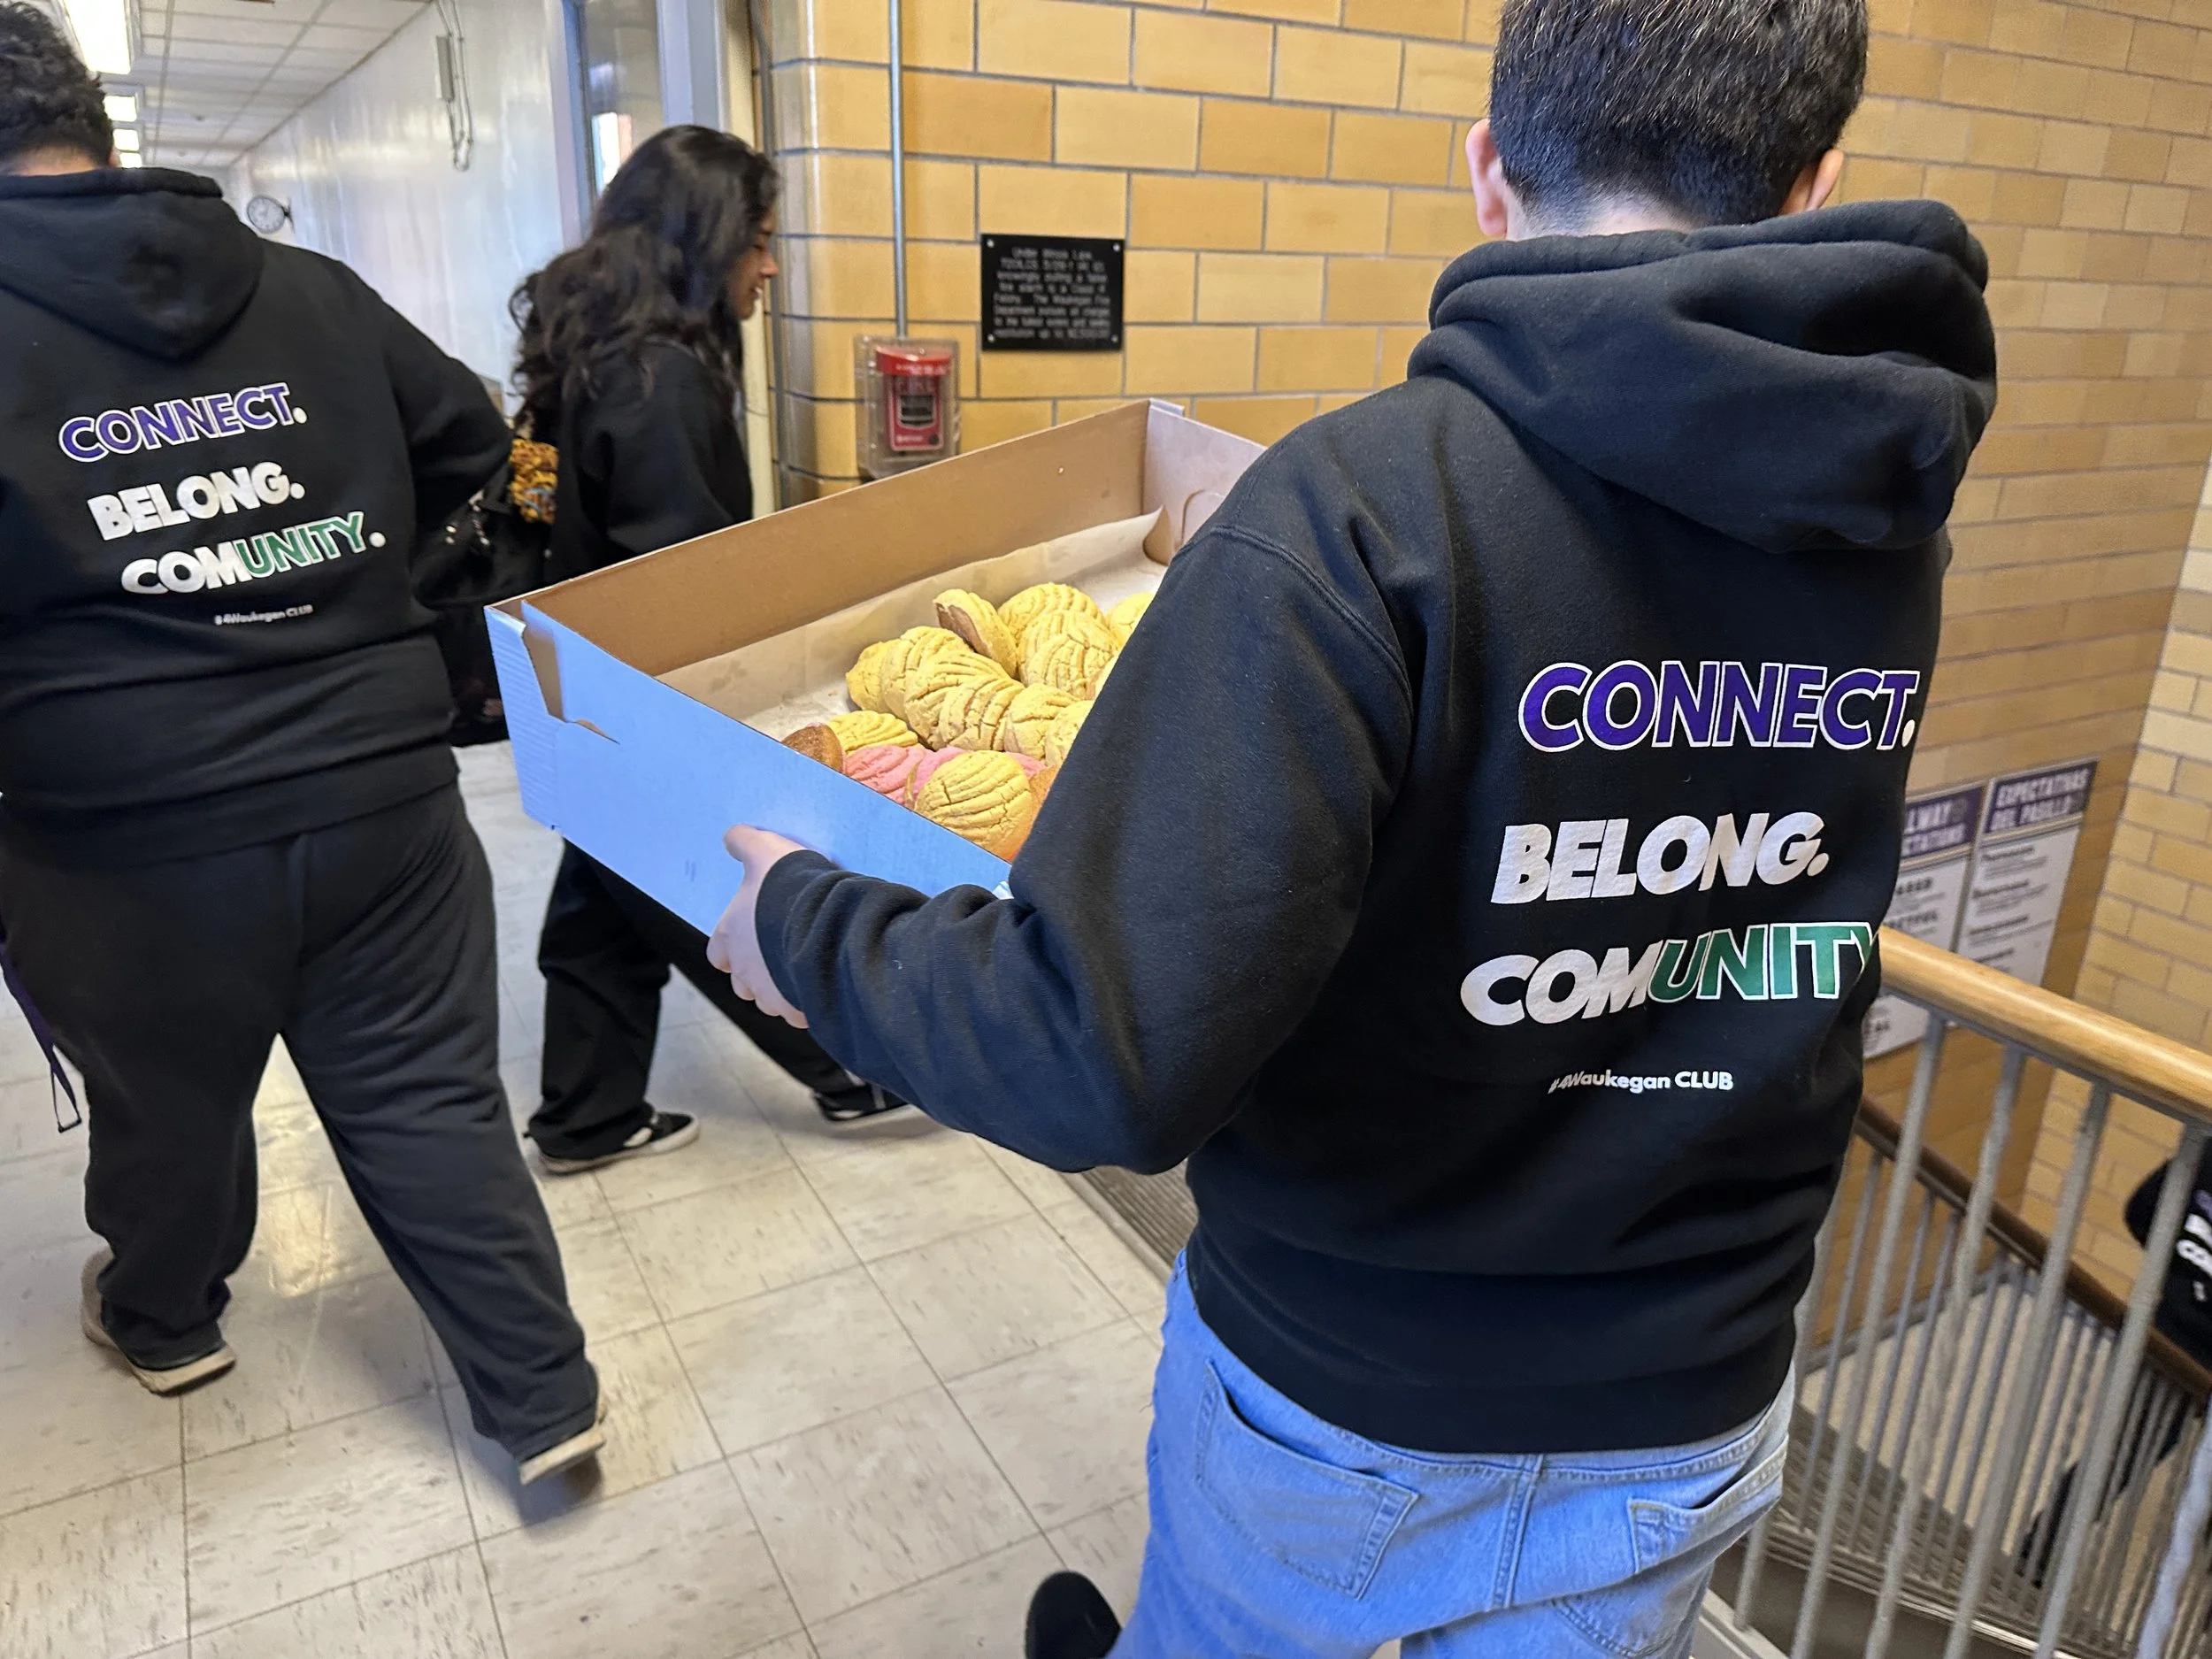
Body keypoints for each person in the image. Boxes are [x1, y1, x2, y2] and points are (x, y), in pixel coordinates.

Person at [707, 0, 1999, 1651]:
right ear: (1814, 185)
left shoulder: (1360, 516)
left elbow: (1099, 1047)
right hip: (1695, 1391)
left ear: (1487, 172)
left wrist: (809, 926)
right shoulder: (1886, 523)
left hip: (1354, 1386)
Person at [0, 4, 601, 1485]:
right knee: (428, 1098)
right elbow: (491, 449)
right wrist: (401, 605)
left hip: (121, 839)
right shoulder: (312, 292)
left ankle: (163, 1321)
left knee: (170, 1105)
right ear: (99, 120)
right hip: (382, 792)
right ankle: (545, 1398)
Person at [509, 126, 905, 1177]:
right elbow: (682, 584)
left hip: (586, 683)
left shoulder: (591, 352)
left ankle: (586, 1115)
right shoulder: (662, 384)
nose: (770, 265)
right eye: (760, 239)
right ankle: (842, 1067)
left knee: (599, 899)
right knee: (691, 889)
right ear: (705, 237)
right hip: (640, 702)